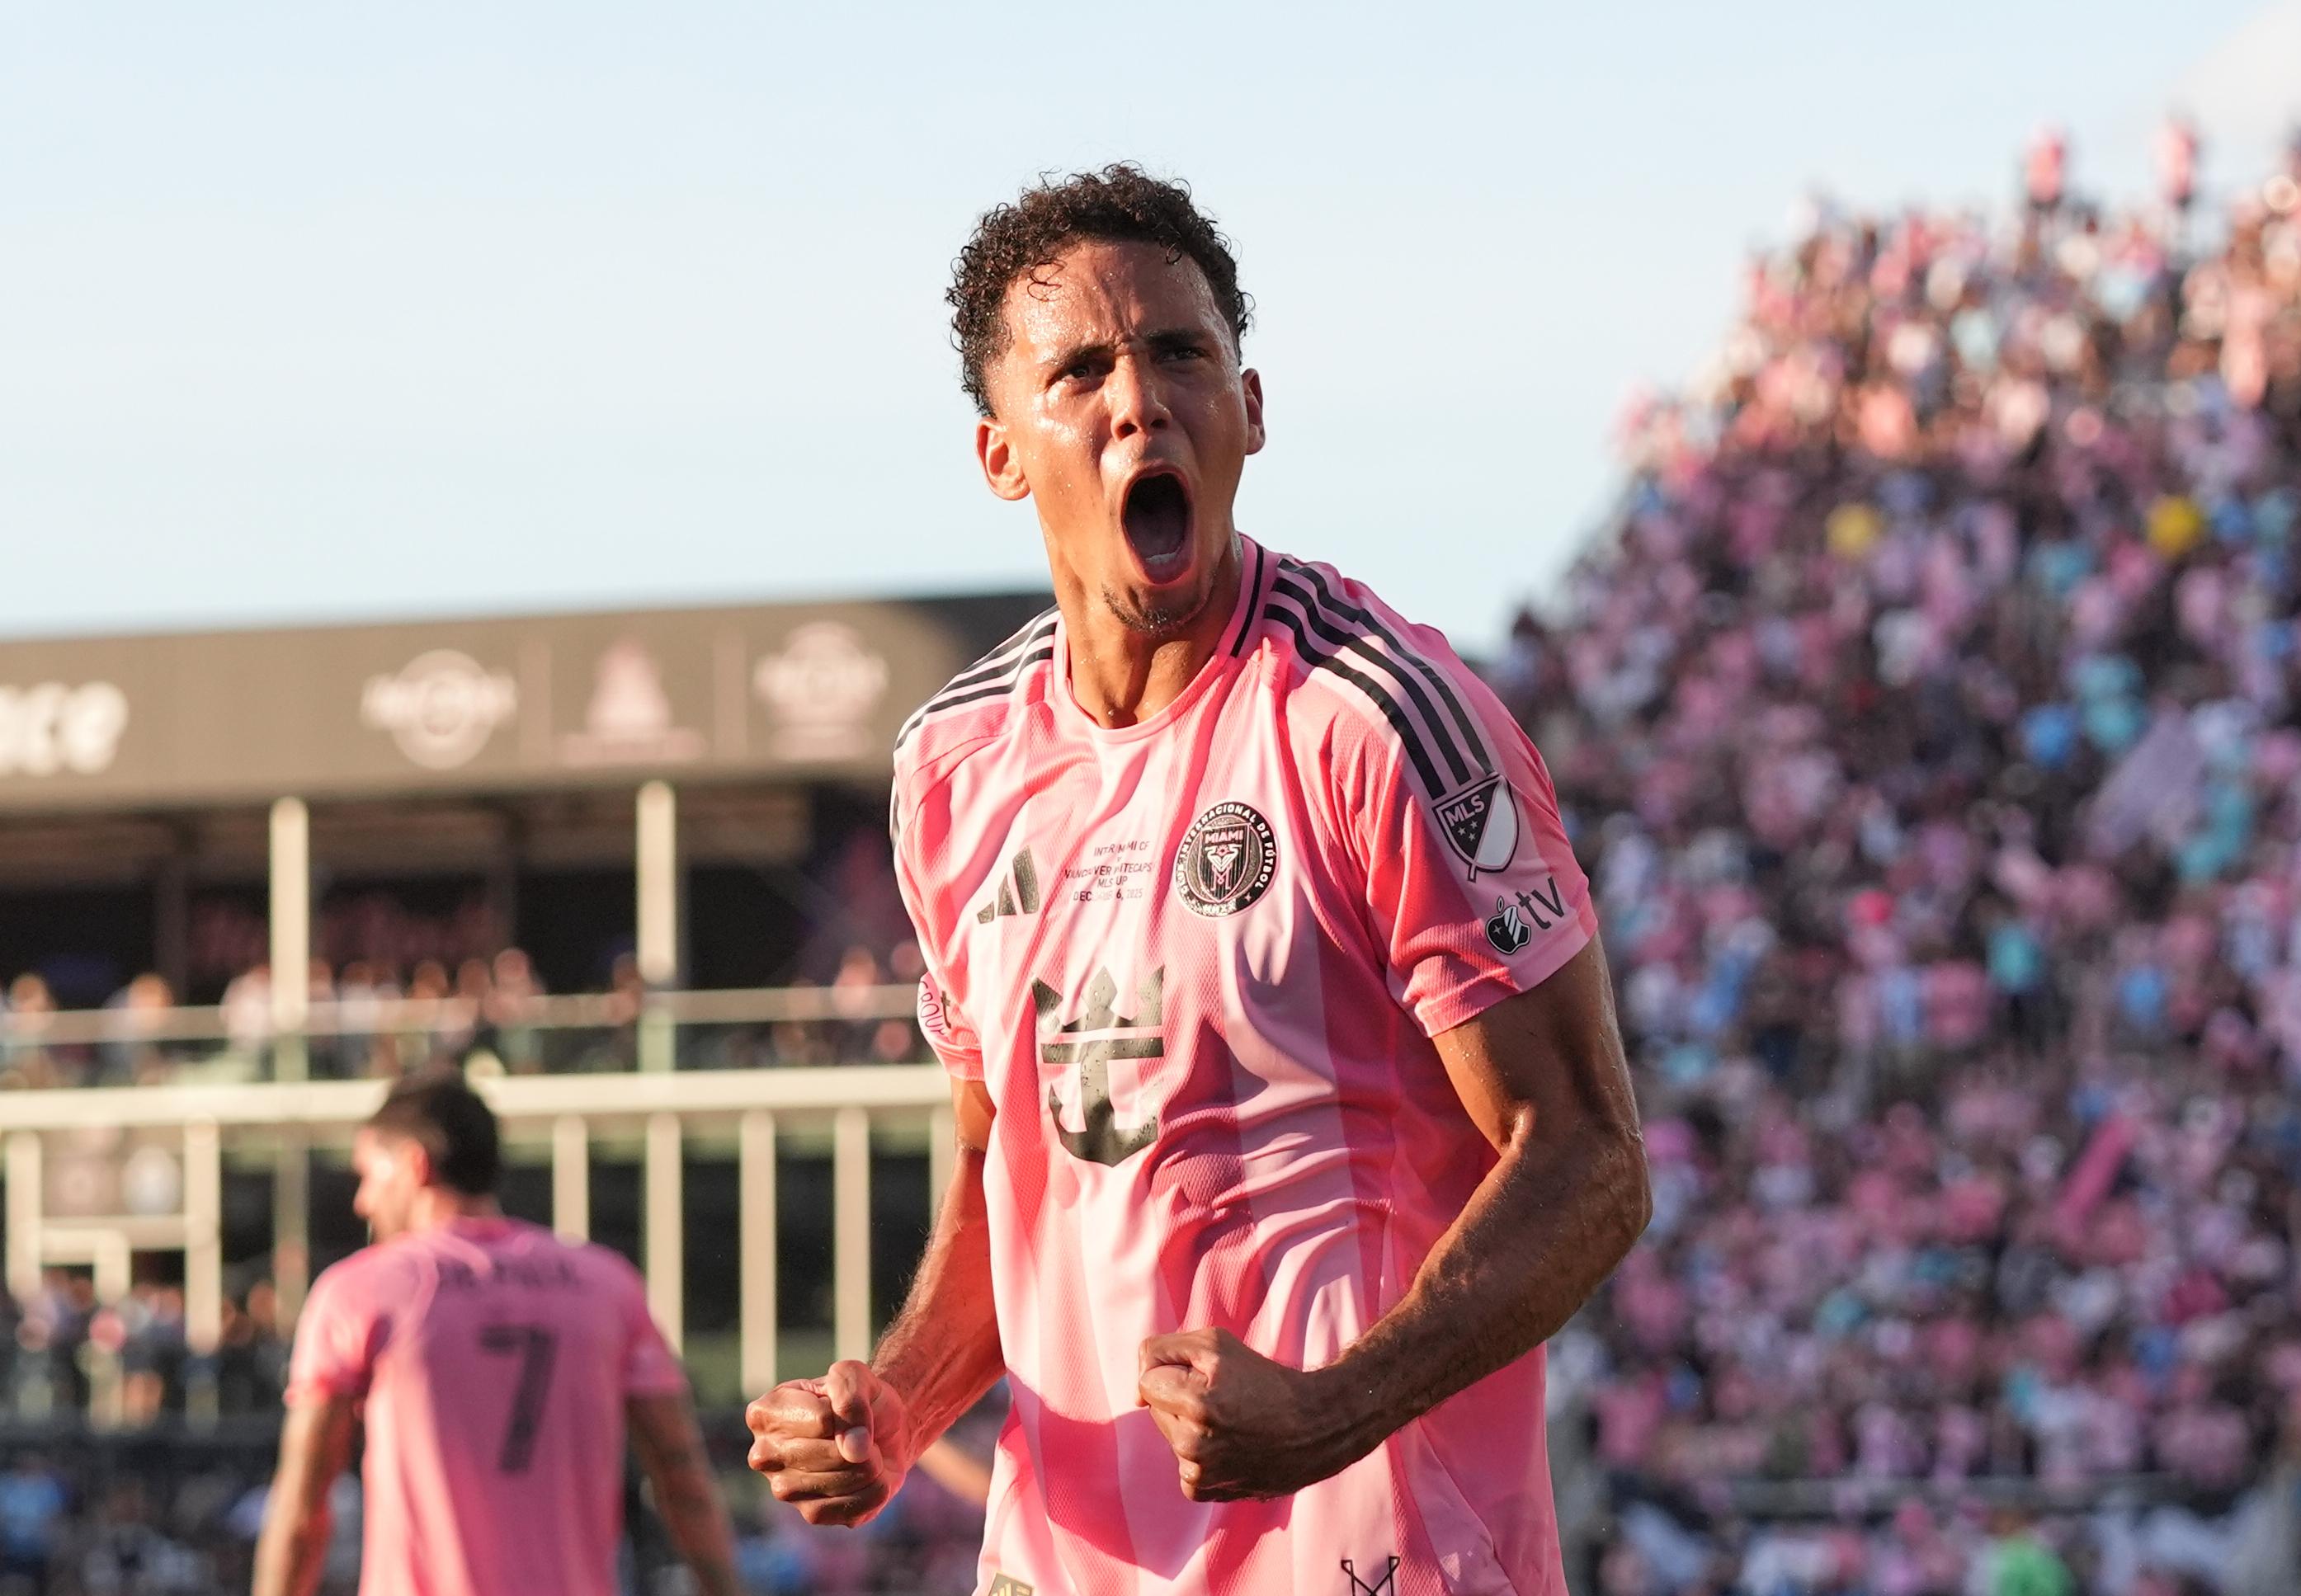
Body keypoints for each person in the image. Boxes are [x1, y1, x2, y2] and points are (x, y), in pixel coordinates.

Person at [745, 166, 1651, 1594]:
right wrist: (901, 1403)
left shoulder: (1376, 718)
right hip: (1068, 1559)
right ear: (1000, 455)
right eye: (1081, 371)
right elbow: (1007, 1168)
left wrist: (1327, 1412)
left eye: (1181, 352)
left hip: (1366, 1553)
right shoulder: (950, 768)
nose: (1137, 401)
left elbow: (1589, 1161)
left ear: (1252, 408)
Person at [252, 1070, 743, 1596]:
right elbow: (681, 1476)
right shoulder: (607, 1285)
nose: (363, 1201)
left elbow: (304, 1503)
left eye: (369, 1174)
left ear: (416, 1165)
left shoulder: (361, 1289)